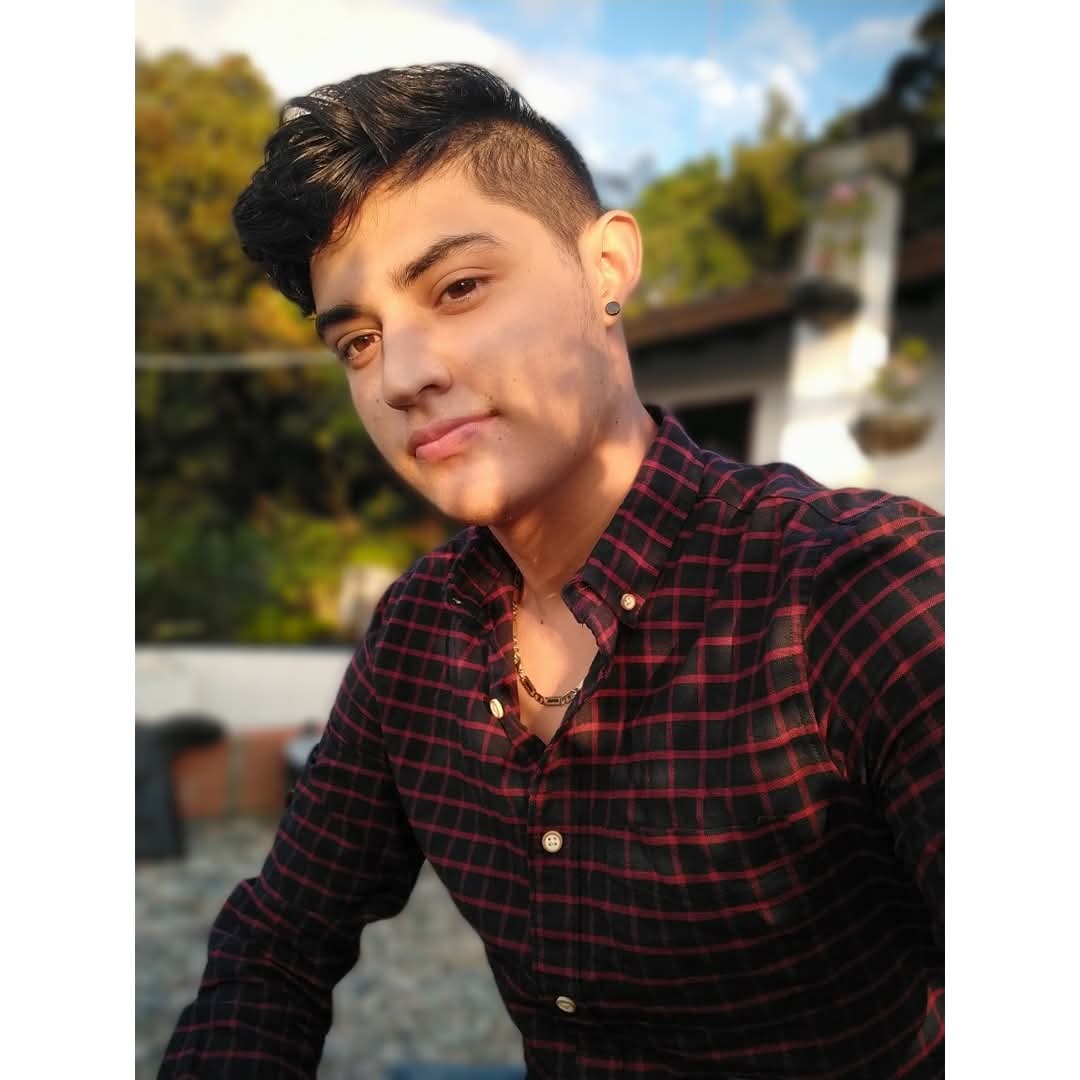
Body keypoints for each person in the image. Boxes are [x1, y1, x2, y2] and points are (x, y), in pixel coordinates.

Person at [159, 63, 944, 1079]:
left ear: (607, 266)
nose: (402, 376)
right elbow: (277, 943)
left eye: (458, 288)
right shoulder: (418, 636)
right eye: (357, 341)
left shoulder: (852, 590)